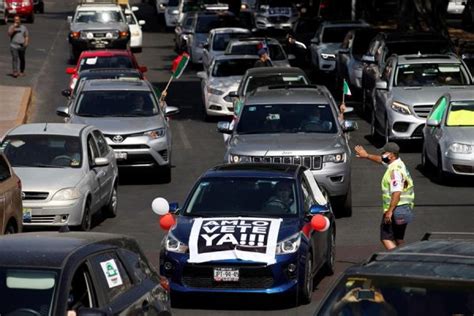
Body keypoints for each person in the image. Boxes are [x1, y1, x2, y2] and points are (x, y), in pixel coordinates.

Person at [354, 142, 415, 250]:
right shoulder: (398, 164)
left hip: (396, 210)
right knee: (398, 238)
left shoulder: (395, 171)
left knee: (385, 238)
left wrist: (390, 211)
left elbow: (397, 192)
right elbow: (380, 159)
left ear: (391, 155)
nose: (382, 154)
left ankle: (397, 261)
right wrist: (367, 155)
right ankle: (407, 259)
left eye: (384, 153)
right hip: (405, 209)